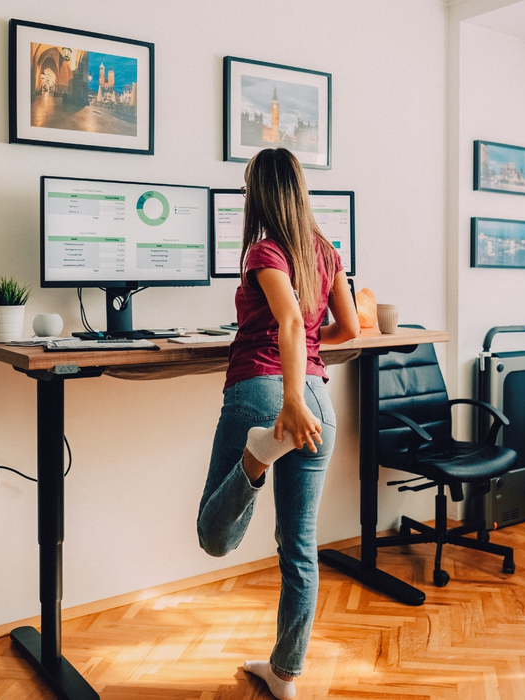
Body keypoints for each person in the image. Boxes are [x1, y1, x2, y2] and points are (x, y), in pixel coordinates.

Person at [196, 148, 360, 699]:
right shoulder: (325, 253)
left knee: (213, 537)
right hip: (319, 397)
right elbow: (349, 329)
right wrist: (308, 364)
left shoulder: (263, 249)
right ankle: (285, 675)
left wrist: (289, 401)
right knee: (300, 546)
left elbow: (289, 319)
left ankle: (256, 456)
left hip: (268, 391)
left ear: (257, 193)